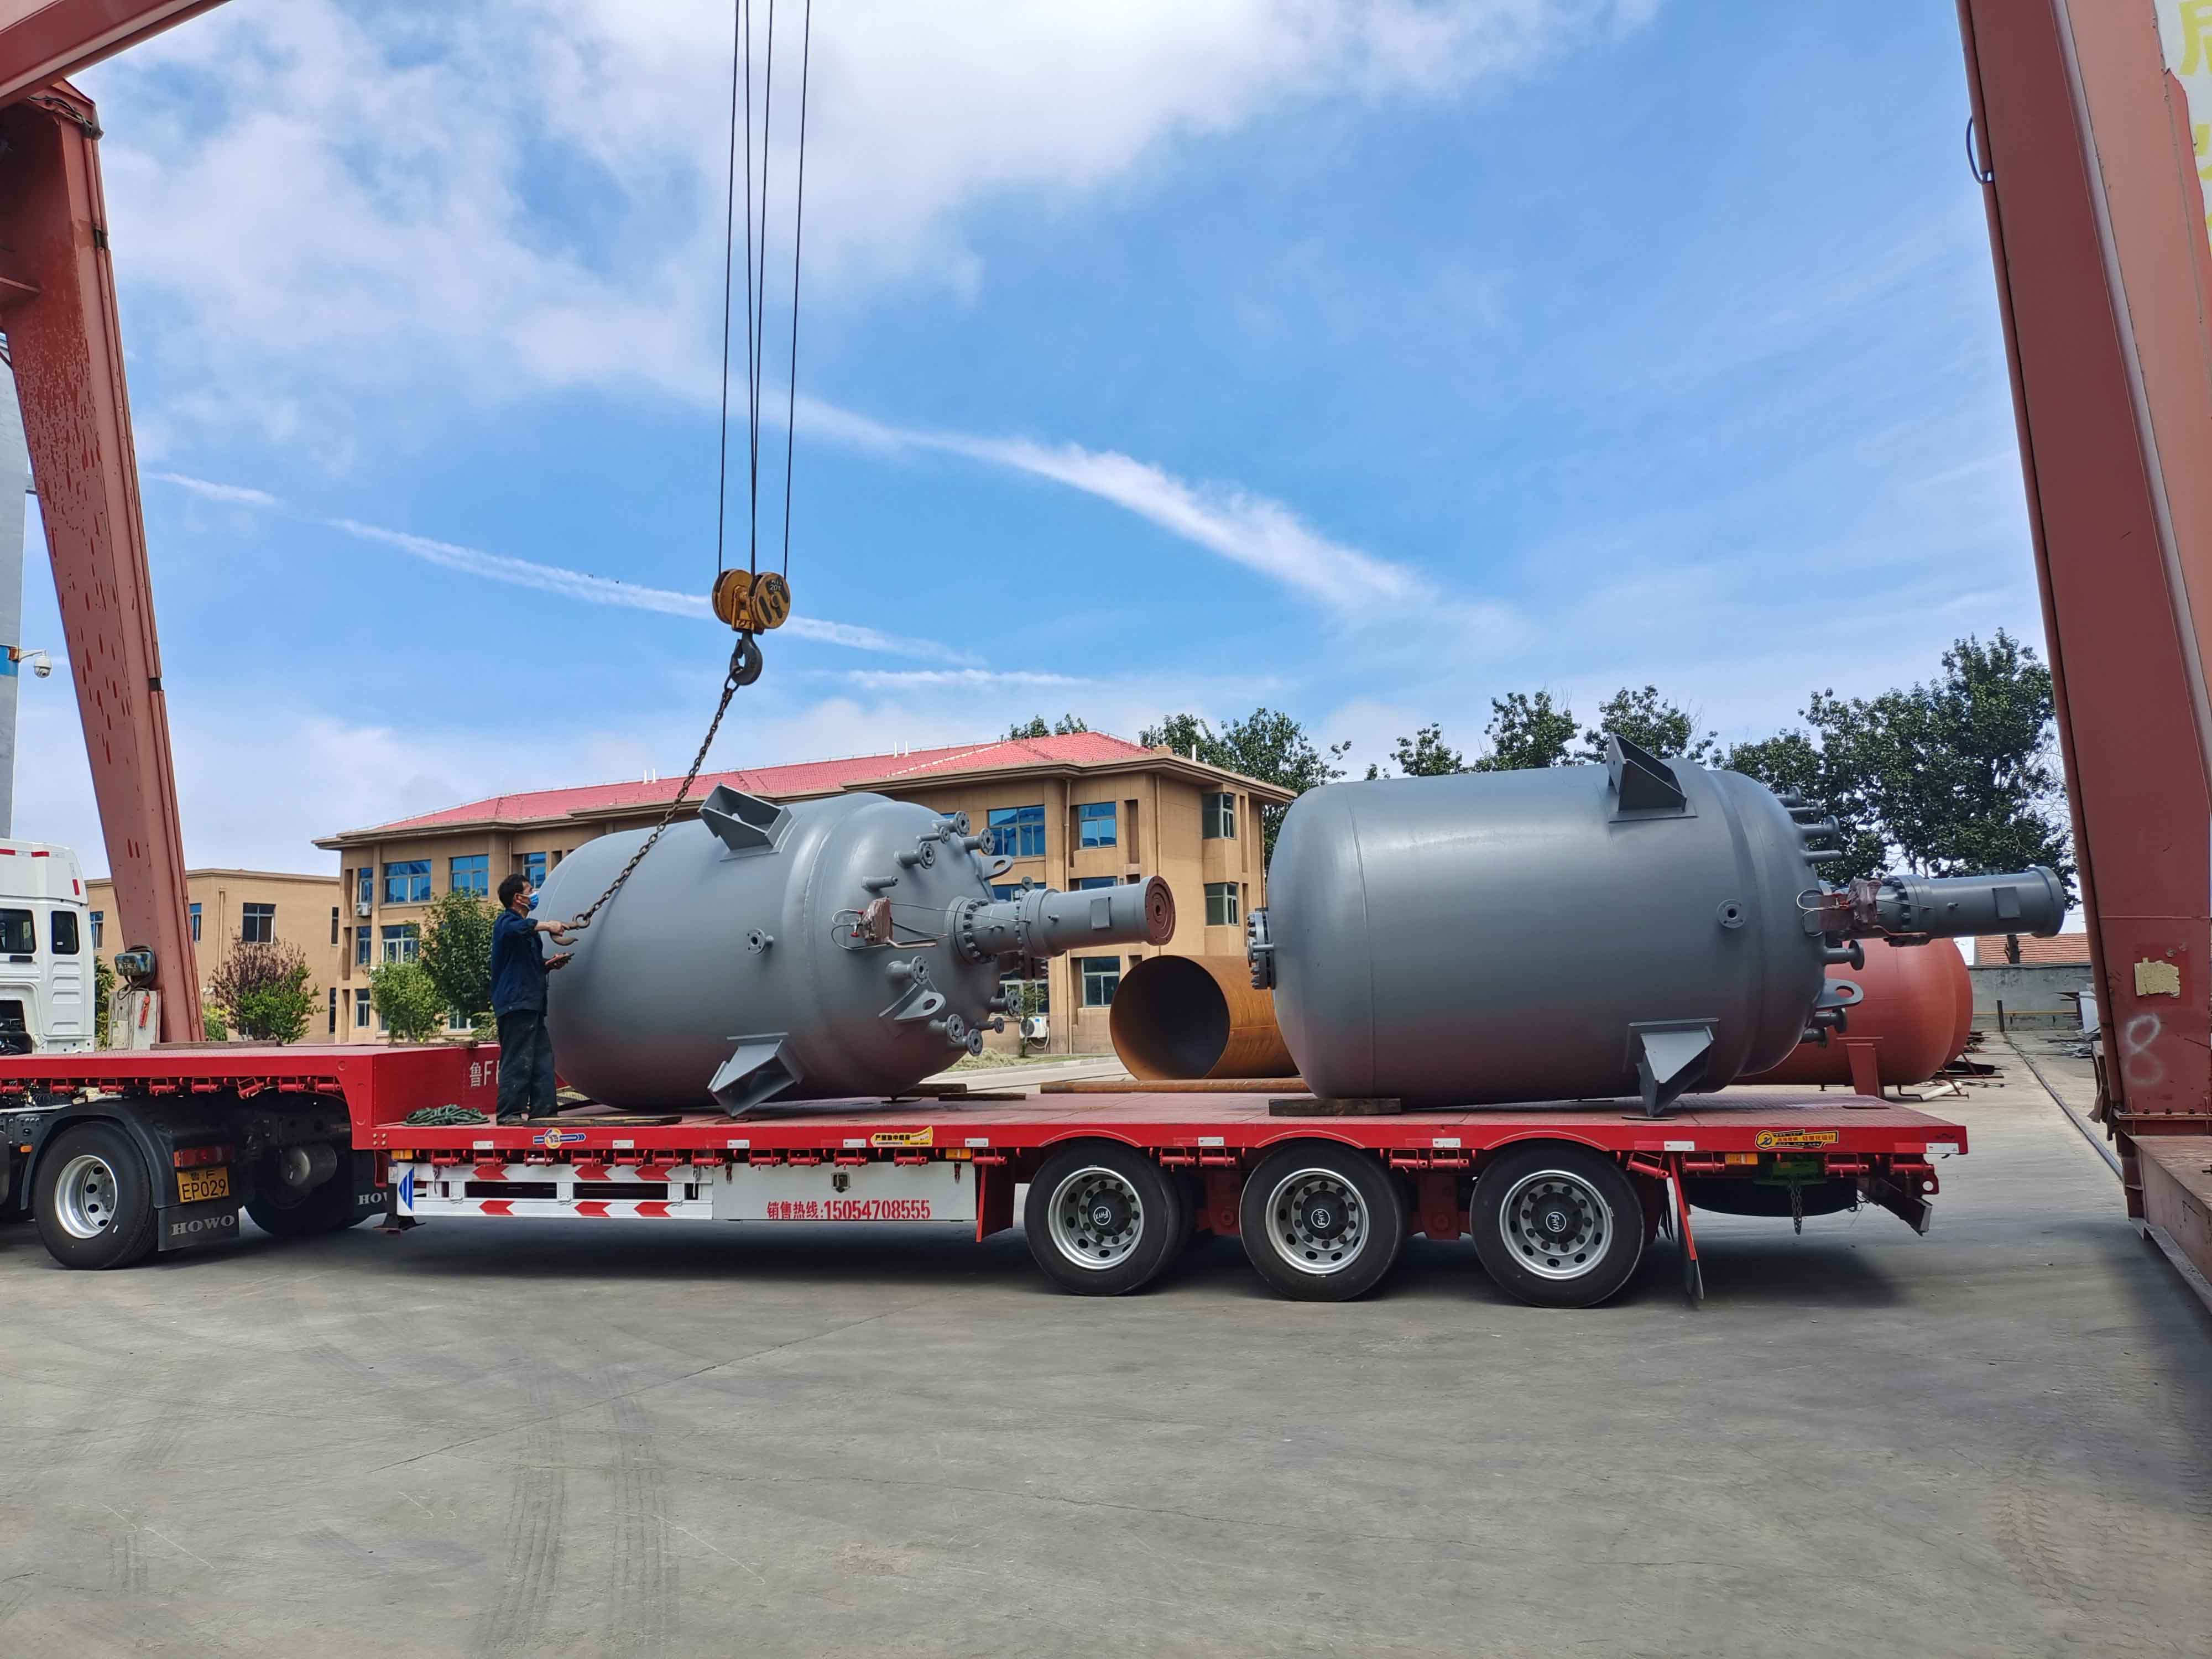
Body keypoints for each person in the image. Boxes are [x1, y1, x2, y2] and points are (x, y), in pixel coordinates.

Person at [491, 873, 575, 1123]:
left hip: (532, 1003)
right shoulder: (507, 922)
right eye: (530, 890)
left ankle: (544, 1111)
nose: (534, 894)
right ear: (519, 898)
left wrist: (547, 965)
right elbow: (517, 929)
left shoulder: (526, 932)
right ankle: (509, 1113)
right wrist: (549, 925)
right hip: (516, 1004)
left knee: (541, 1059)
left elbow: (526, 965)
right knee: (518, 1058)